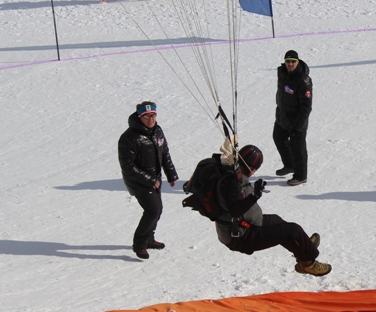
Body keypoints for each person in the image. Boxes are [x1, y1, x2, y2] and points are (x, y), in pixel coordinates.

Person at [195, 144, 331, 276]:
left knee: (278, 222)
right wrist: (254, 196)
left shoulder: (234, 172)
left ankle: (304, 246)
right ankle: (308, 264)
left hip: (246, 225)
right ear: (252, 168)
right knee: (292, 230)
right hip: (240, 236)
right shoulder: (231, 182)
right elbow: (235, 210)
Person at [118, 101, 179, 260]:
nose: (151, 119)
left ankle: (149, 239)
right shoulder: (129, 138)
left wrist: (171, 174)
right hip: (139, 182)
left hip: (155, 180)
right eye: (146, 117)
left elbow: (164, 153)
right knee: (153, 210)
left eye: (153, 115)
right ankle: (139, 244)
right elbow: (128, 166)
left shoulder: (157, 131)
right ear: (139, 117)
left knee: (157, 210)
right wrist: (149, 180)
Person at [273, 50, 313, 186]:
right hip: (282, 116)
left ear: (297, 62)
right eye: (288, 61)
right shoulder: (282, 72)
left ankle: (301, 175)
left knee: (298, 148)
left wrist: (298, 125)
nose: (290, 64)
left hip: (297, 120)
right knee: (278, 138)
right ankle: (289, 165)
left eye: (293, 61)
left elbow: (306, 106)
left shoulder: (303, 80)